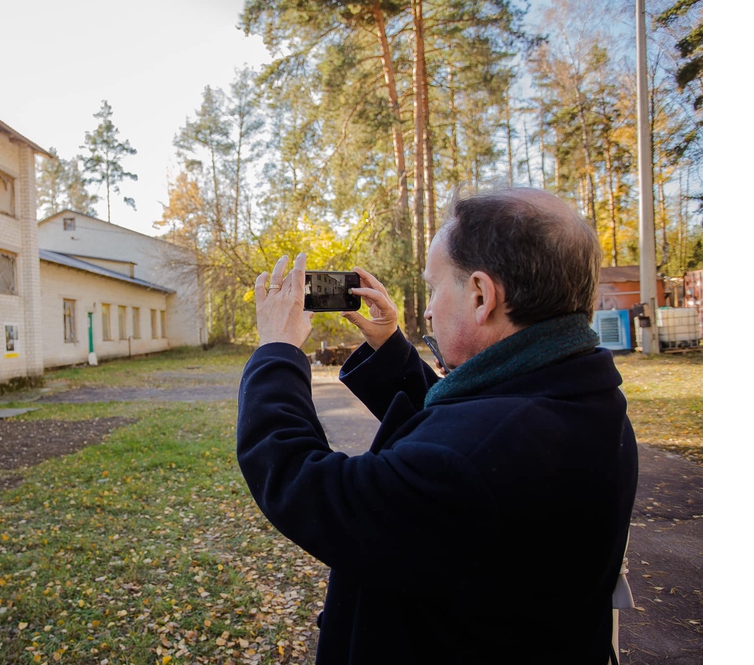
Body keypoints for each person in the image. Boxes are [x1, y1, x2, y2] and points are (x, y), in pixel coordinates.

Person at [236, 187, 639, 664]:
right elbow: (474, 421)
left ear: (481, 296)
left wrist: (277, 350)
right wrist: (391, 350)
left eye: (433, 287)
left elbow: (303, 482)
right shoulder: (581, 391)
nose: (426, 309)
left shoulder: (471, 461)